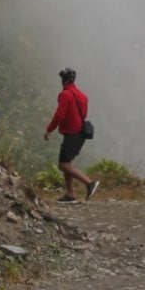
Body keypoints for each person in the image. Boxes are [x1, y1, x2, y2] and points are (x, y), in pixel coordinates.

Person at [44, 67, 99, 204]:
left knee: (63, 165)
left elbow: (60, 115)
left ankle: (89, 183)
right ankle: (70, 194)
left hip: (72, 134)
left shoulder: (65, 95)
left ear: (63, 80)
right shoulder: (83, 96)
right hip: (80, 133)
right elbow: (84, 114)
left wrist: (49, 130)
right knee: (67, 163)